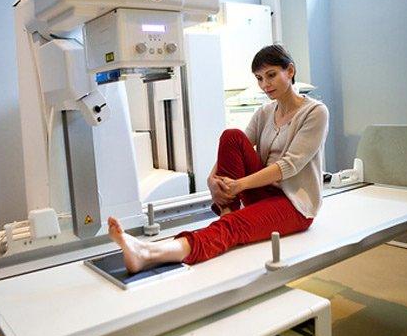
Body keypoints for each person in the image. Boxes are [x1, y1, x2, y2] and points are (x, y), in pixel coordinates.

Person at [108, 44, 329, 273]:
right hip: (262, 192)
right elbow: (236, 143)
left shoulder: (315, 112)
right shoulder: (264, 112)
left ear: (290, 71)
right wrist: (212, 180)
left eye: (271, 75)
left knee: (233, 227)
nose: (265, 85)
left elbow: (289, 166)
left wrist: (239, 185)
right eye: (259, 78)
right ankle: (227, 213)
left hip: (294, 206)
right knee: (231, 135)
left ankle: (148, 253)